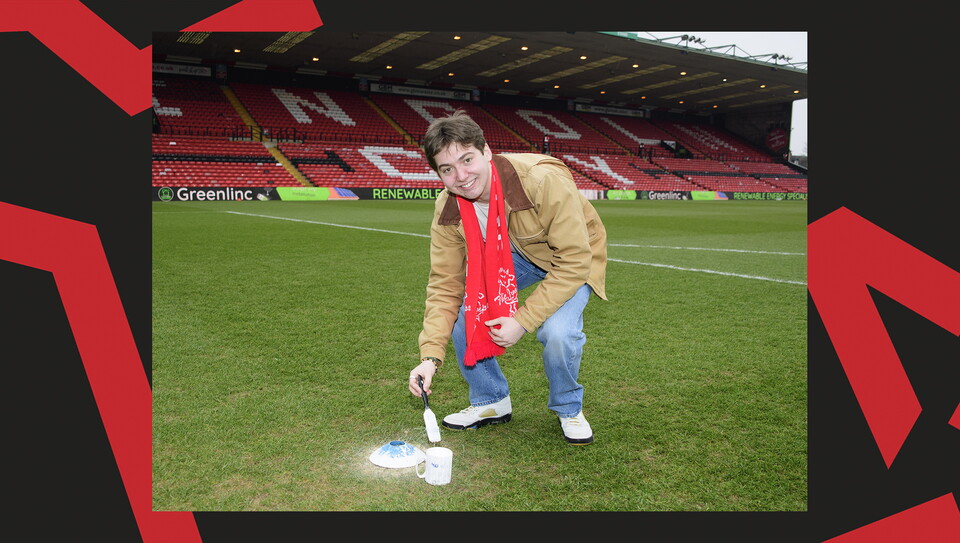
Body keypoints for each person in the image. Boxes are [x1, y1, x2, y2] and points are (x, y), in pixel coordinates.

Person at [407, 110, 607, 445]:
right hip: (516, 252)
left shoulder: (542, 181)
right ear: (439, 174)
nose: (462, 176)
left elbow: (573, 260)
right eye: (447, 169)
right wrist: (429, 358)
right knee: (466, 310)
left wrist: (523, 320)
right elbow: (446, 285)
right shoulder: (448, 207)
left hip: (570, 257)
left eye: (467, 159)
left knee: (558, 331)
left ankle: (569, 408)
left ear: (486, 152)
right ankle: (491, 401)